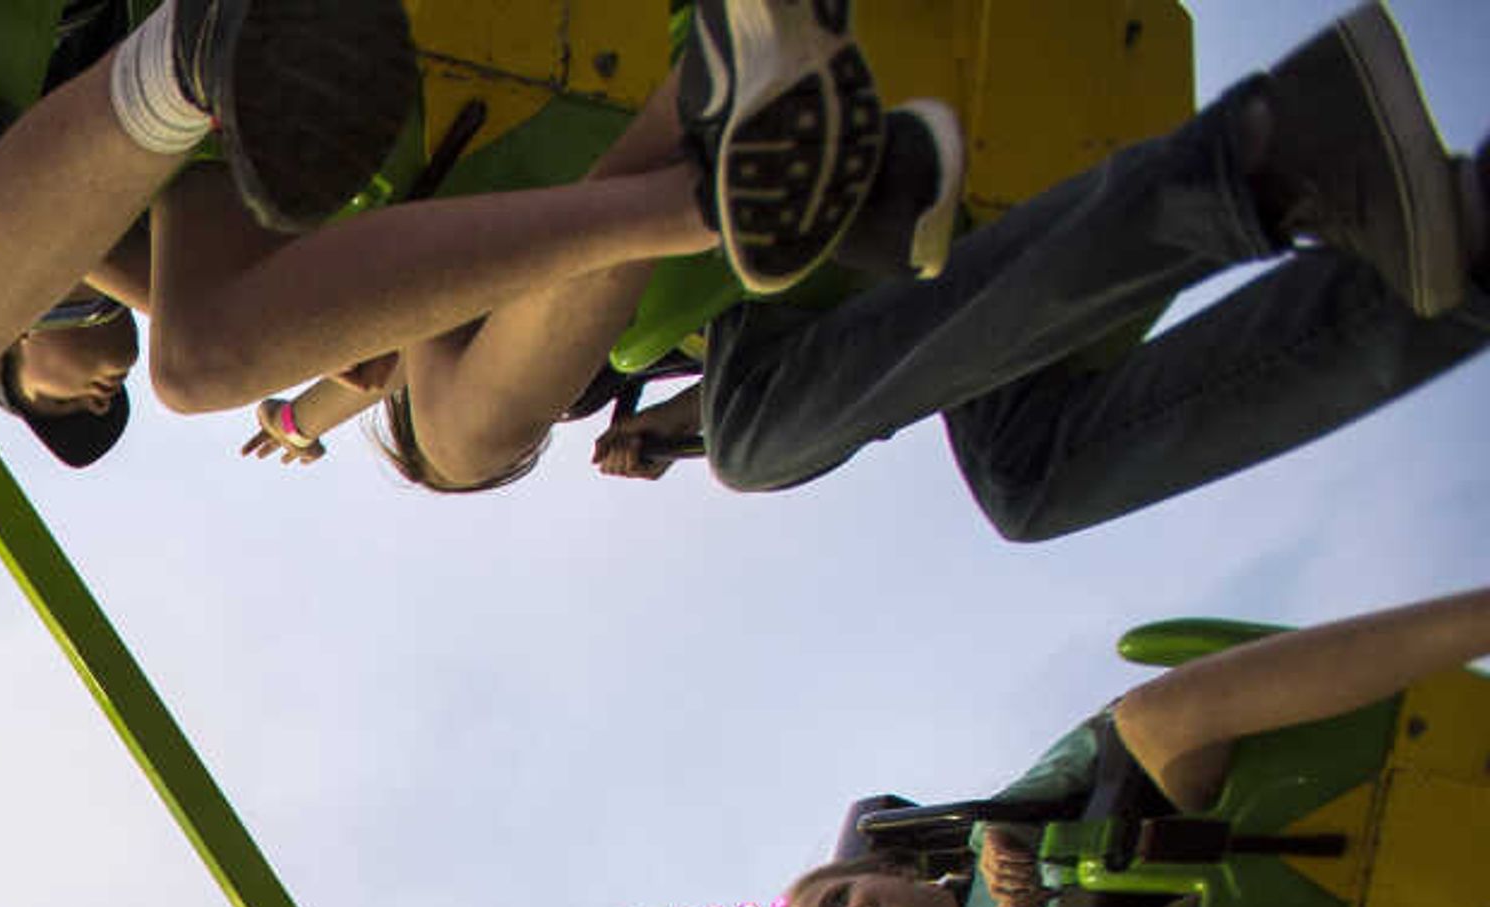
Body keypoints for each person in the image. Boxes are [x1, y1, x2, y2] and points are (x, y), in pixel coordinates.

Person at [0, 0, 880, 466]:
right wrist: (300, 419)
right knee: (178, 359)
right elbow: (213, 326)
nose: (85, 384)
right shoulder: (77, 270)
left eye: (68, 404)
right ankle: (702, 181)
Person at [596, 3, 1485, 540]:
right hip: (805, 248)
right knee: (1029, 478)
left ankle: (1265, 159)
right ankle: (1455, 253)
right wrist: (678, 427)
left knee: (750, 438)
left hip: (793, 120)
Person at [777, 582, 1490, 907]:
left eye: (837, 903)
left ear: (889, 870)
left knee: (1149, 713)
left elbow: (1089, 743)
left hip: (1213, 809)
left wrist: (1006, 830)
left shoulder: (984, 829)